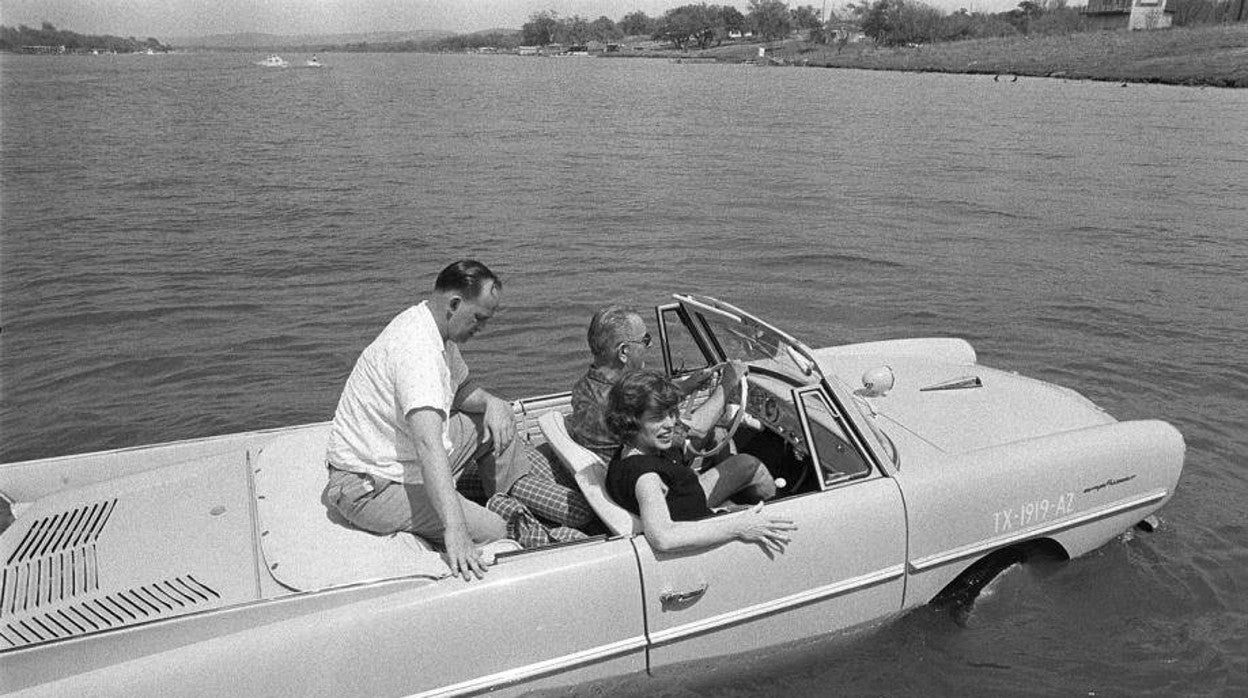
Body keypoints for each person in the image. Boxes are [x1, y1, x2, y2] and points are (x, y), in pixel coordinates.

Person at [324, 260, 579, 580]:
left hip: (399, 457)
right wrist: (456, 529)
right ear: (455, 304)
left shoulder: (433, 328)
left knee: (498, 420)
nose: (482, 328)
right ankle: (503, 524)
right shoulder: (418, 351)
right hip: (370, 486)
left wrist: (492, 402)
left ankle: (510, 498)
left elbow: (458, 391)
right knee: (495, 529)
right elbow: (429, 444)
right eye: (479, 318)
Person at [566, 305, 774, 502]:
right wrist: (728, 383)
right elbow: (697, 430)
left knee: (718, 435)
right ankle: (782, 506)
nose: (651, 345)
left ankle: (728, 493)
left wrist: (686, 387)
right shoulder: (618, 405)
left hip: (629, 477)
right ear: (623, 351)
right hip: (662, 492)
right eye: (644, 339)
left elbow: (645, 402)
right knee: (747, 464)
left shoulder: (585, 387)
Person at [604, 371, 796, 553]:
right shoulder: (647, 478)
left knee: (746, 463)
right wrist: (738, 527)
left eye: (671, 413)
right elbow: (663, 537)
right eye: (657, 418)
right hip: (704, 528)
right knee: (791, 521)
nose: (670, 424)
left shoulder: (628, 451)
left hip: (688, 506)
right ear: (631, 421)